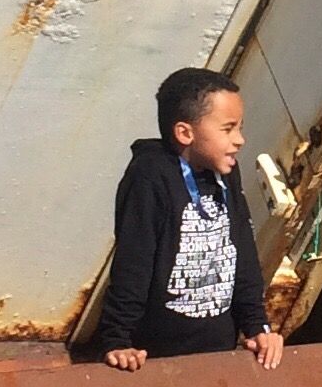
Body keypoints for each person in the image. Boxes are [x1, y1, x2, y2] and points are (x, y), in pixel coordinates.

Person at [98, 67, 283, 370]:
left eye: (240, 128)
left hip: (219, 352)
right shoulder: (150, 177)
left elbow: (242, 251)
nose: (240, 140)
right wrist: (118, 341)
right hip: (156, 355)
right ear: (185, 132)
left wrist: (257, 326)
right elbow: (134, 262)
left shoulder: (227, 173)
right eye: (228, 129)